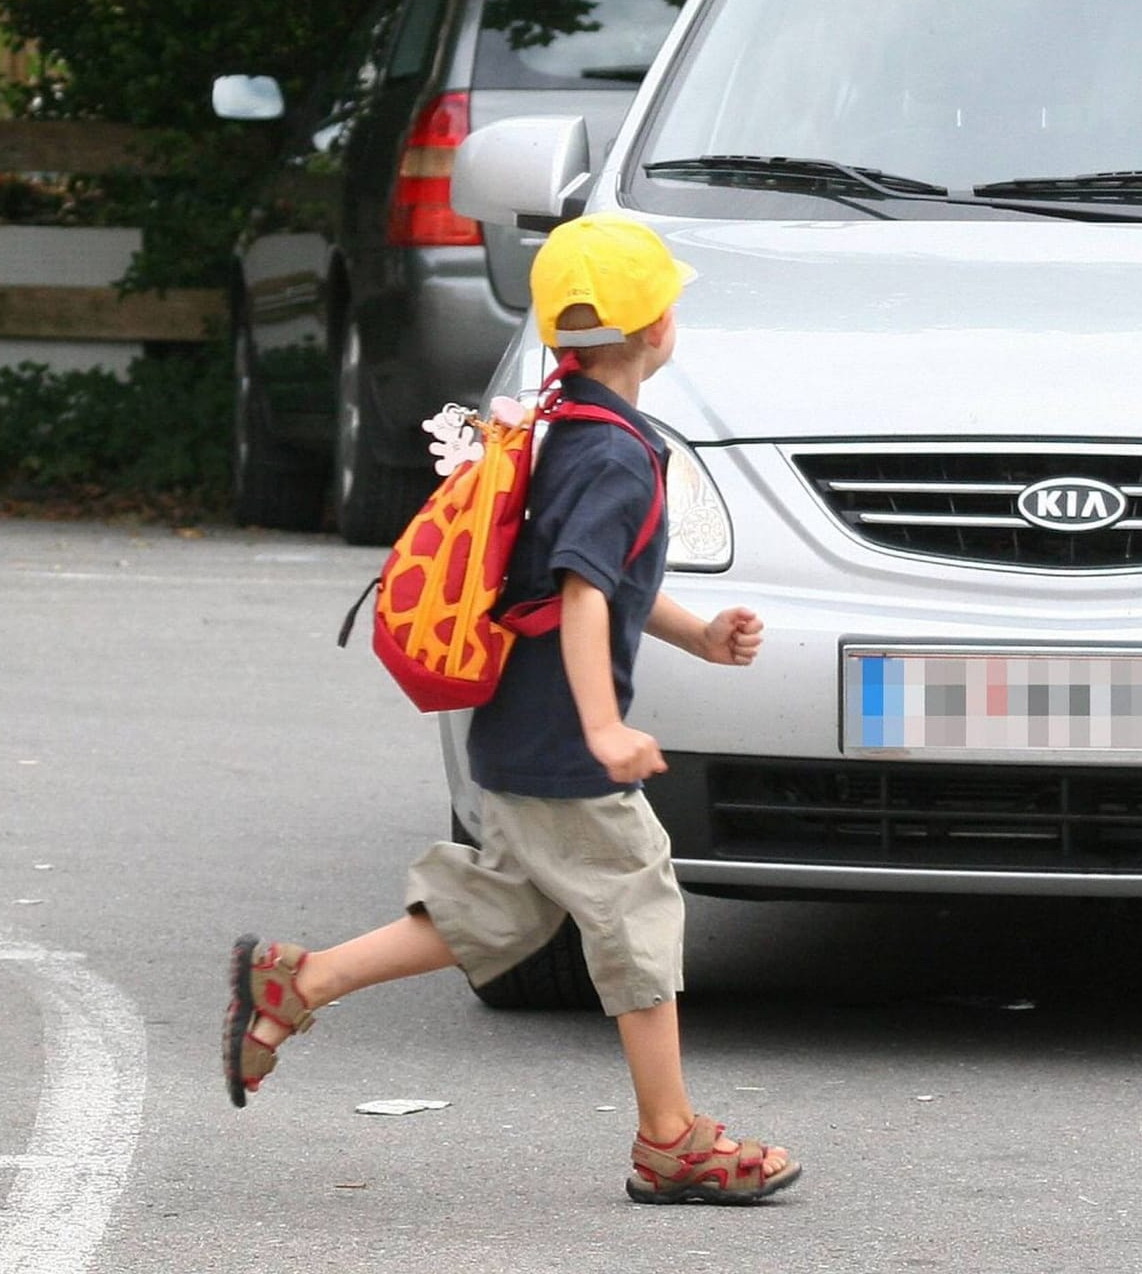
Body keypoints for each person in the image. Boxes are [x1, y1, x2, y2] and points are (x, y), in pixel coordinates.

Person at [222, 212, 801, 1205]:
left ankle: (298, 981)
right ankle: (671, 1137)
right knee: (640, 903)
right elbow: (582, 596)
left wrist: (699, 633)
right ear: (658, 328)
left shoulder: (561, 424)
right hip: (561, 742)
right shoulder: (615, 455)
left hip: (517, 729)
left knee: (504, 905)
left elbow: (603, 579)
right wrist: (604, 727)